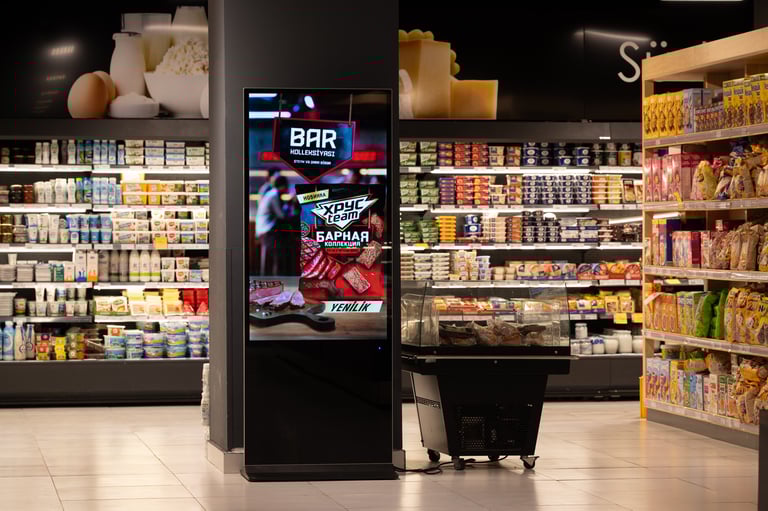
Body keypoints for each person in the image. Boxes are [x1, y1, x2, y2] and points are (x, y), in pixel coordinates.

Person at [255, 176, 293, 276]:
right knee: (279, 256)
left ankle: (276, 276)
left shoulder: (270, 194)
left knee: (278, 253)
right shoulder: (274, 195)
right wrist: (289, 204)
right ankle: (279, 277)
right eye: (287, 186)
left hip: (263, 230)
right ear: (283, 186)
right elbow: (281, 215)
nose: (287, 189)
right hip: (268, 231)